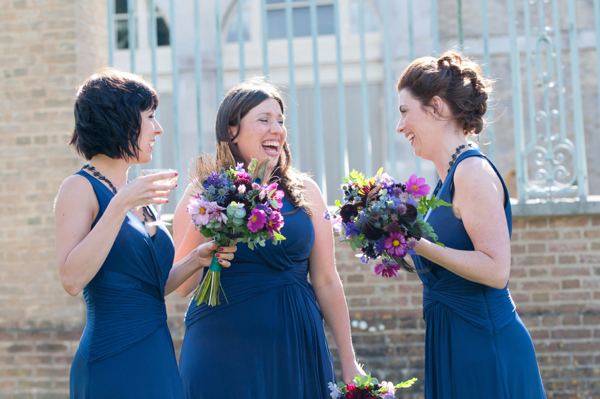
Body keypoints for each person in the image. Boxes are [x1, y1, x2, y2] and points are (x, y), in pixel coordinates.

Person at [173, 78, 363, 399]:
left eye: (281, 120)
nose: (277, 129)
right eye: (264, 119)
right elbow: (182, 286)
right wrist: (216, 216)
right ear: (231, 130)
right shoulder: (202, 191)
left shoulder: (307, 192)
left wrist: (349, 361)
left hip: (297, 347)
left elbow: (327, 280)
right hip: (222, 348)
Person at [54, 69, 236, 399]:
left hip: (156, 352)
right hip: (110, 357)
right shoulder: (80, 188)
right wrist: (121, 203)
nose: (159, 128)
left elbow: (150, 288)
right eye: (150, 116)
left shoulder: (139, 195)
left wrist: (197, 259)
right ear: (120, 119)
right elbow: (71, 279)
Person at [396, 51, 546, 398]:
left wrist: (418, 243)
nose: (400, 126)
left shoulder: (471, 172)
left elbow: (496, 270)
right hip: (453, 343)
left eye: (405, 112)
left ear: (437, 107)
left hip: (485, 348)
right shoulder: (445, 177)